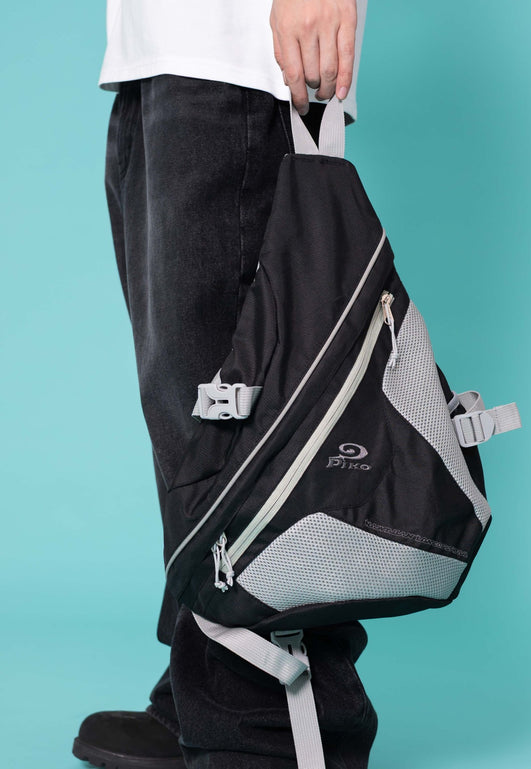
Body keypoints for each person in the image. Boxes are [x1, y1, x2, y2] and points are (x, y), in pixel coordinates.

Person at [72, 2, 378, 768]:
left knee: (249, 418)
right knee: (192, 411)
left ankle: (272, 728)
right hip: (162, 56)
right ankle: (209, 693)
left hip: (238, 62)